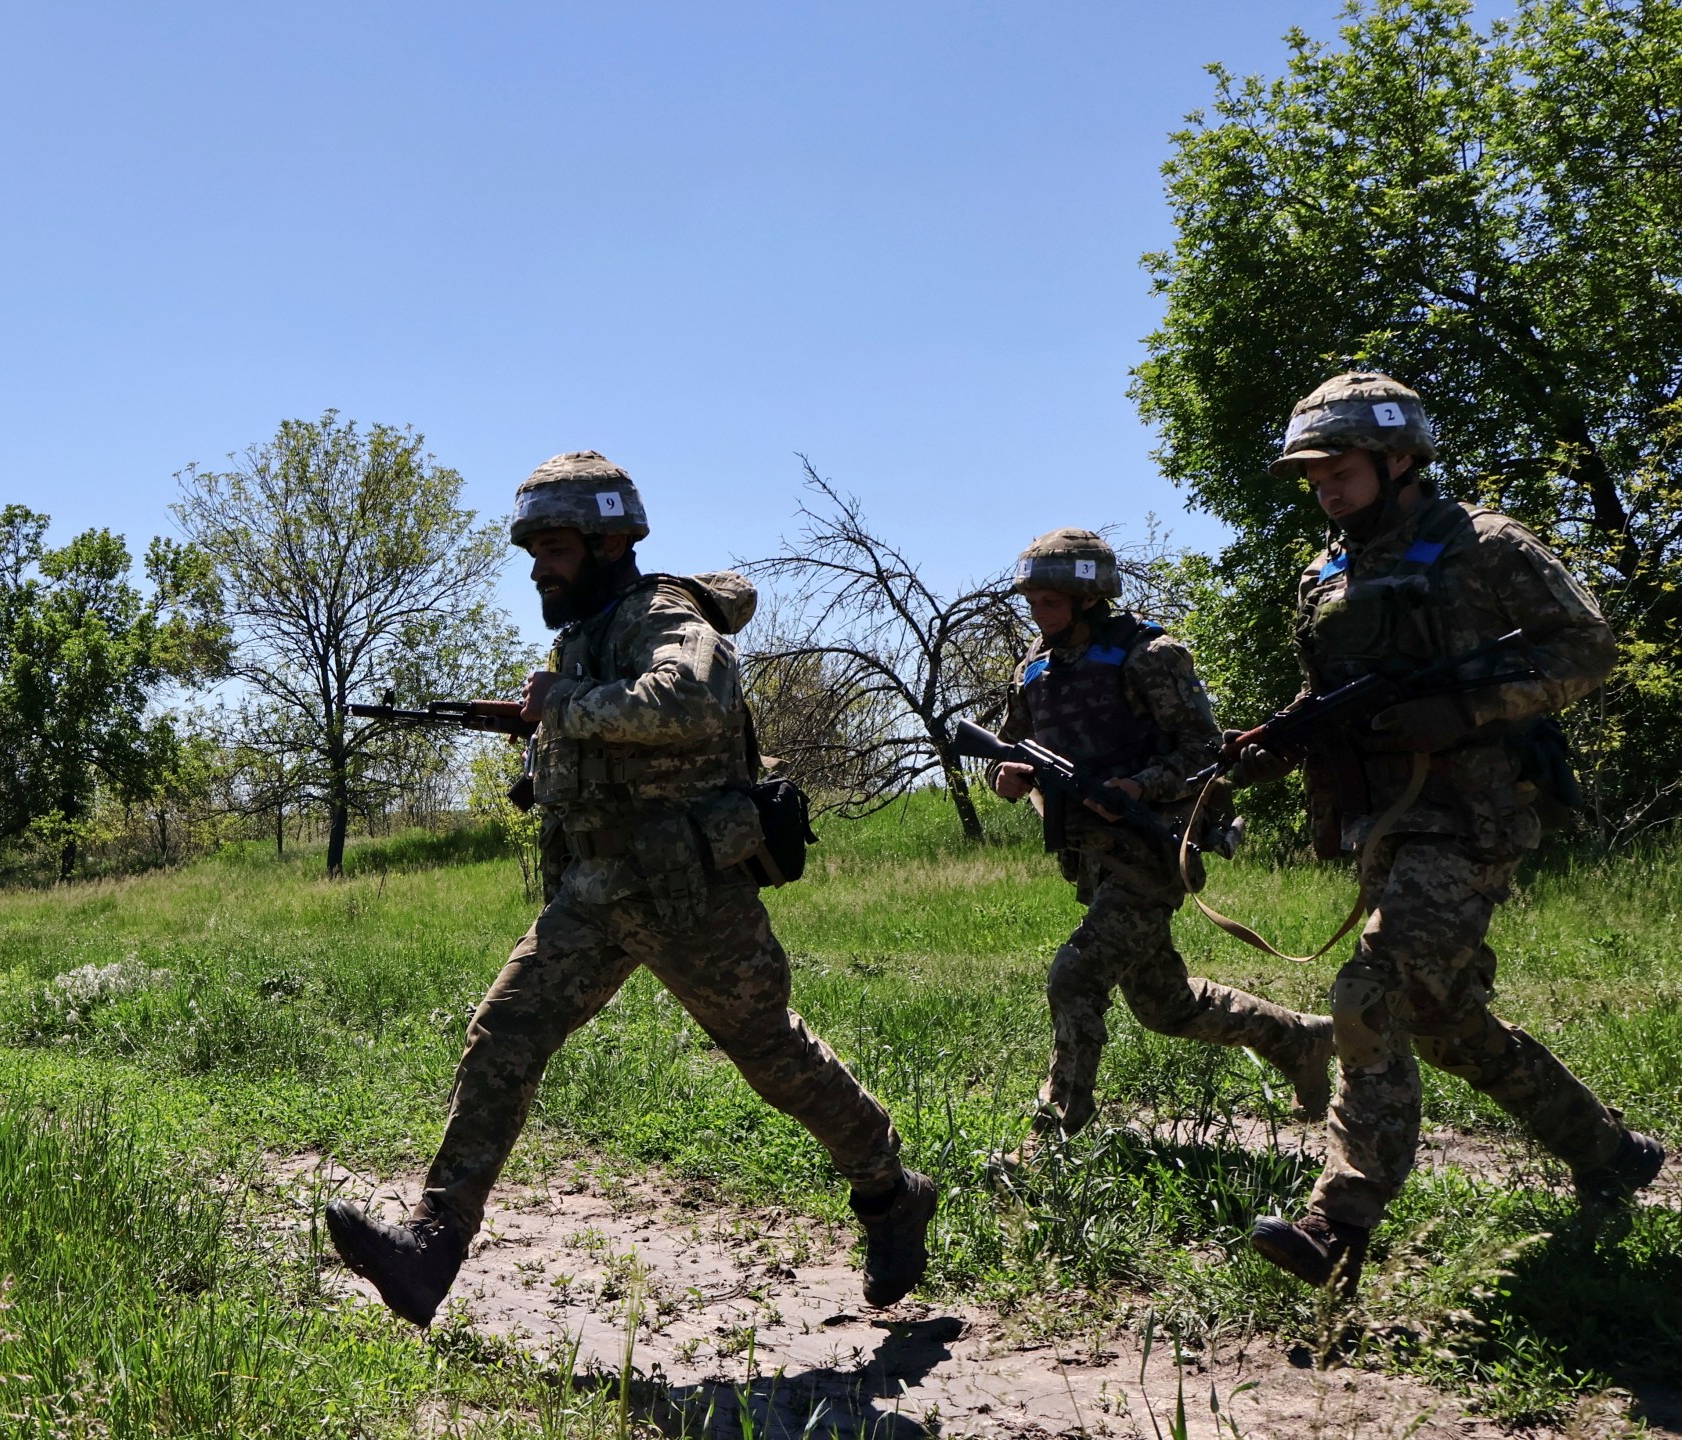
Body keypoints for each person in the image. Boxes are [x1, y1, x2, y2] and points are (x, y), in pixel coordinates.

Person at [323, 451, 936, 1327]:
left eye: (556, 547)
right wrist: (549, 746)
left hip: (691, 899)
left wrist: (564, 707)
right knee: (505, 1032)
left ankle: (889, 1190)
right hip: (600, 894)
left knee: (772, 1058)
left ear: (610, 543)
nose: (539, 566)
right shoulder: (586, 634)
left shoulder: (661, 612)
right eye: (532, 549)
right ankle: (433, 1246)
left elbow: (691, 697)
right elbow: (607, 736)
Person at [1240, 372, 1664, 1292]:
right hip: (1385, 822)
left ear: (1400, 460)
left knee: (1373, 992)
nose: (1326, 488)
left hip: (1474, 815)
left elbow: (1588, 646)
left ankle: (1339, 1217)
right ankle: (1608, 1153)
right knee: (1445, 1023)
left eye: (1340, 468)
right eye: (1313, 476)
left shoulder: (1485, 543)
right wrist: (1277, 742)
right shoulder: (1325, 573)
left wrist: (1470, 705)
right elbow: (1329, 697)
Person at [987, 530, 1333, 1143]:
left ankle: (1055, 1137)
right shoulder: (1033, 671)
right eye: (1031, 601)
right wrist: (1005, 777)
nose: (1037, 615)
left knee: (1075, 977)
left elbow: (1205, 750)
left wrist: (1141, 786)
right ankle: (1300, 1038)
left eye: (1049, 602)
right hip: (1089, 858)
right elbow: (1009, 753)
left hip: (1152, 851)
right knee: (1165, 1006)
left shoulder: (1150, 656)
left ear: (1088, 598)